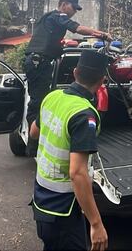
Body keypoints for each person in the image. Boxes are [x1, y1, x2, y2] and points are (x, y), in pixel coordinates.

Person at [30, 50, 110, 251]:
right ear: (101, 81)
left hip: (41, 200)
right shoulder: (84, 115)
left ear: (75, 73)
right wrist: (96, 223)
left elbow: (33, 133)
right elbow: (77, 173)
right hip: (64, 209)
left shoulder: (52, 97)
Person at [24, 0, 111, 156]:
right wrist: (101, 34)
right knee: (38, 103)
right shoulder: (58, 16)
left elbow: (50, 40)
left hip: (40, 62)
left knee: (40, 100)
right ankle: (33, 146)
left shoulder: (49, 19)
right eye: (73, 8)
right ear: (63, 4)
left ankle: (35, 141)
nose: (74, 12)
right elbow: (77, 28)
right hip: (38, 62)